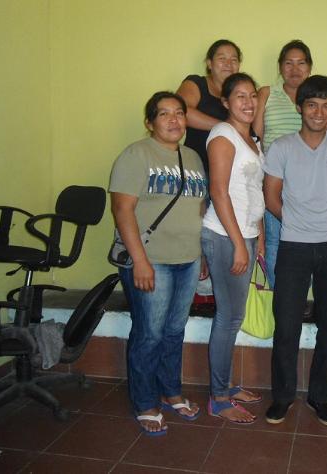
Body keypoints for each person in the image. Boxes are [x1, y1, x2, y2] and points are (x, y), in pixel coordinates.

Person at [263, 75, 327, 426]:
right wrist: (295, 223)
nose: (319, 112)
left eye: (326, 106)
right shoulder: (282, 147)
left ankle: (320, 397)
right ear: (300, 107)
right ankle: (283, 397)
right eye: (312, 105)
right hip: (293, 246)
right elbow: (271, 195)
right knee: (286, 326)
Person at [109, 91, 206, 436]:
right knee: (149, 333)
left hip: (188, 259)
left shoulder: (192, 157)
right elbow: (122, 210)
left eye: (179, 112)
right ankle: (145, 402)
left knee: (174, 330)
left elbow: (199, 208)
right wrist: (140, 261)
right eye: (164, 114)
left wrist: (201, 254)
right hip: (151, 261)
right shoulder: (135, 155)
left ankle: (171, 391)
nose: (174, 119)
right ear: (150, 122)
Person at [202, 73, 265, 424]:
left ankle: (224, 385)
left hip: (245, 235)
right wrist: (240, 244)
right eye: (240, 96)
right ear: (226, 102)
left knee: (233, 316)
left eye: (252, 95)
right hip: (226, 237)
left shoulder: (251, 140)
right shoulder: (222, 135)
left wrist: (257, 237)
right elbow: (219, 191)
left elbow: (253, 191)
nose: (248, 102)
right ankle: (219, 398)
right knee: (228, 318)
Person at [253, 40, 327, 288]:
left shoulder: (320, 96)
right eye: (288, 63)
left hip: (313, 184)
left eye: (301, 63)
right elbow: (255, 138)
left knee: (311, 240)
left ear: (309, 67)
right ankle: (279, 295)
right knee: (275, 239)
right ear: (280, 66)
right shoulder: (267, 93)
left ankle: (301, 294)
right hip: (275, 181)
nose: (294, 69)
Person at [177, 39, 242, 175]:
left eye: (234, 60)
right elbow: (181, 112)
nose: (228, 64)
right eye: (222, 58)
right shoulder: (197, 83)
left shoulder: (241, 91)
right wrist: (225, 127)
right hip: (197, 169)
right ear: (209, 63)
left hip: (234, 171)